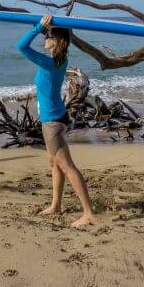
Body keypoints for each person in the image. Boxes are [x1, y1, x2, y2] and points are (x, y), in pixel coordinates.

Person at [16, 14, 96, 228]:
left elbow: (21, 46)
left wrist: (38, 27)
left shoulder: (48, 62)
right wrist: (45, 28)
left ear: (56, 41)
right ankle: (56, 205)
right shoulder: (60, 59)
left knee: (67, 166)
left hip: (52, 121)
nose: (44, 39)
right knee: (55, 164)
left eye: (47, 36)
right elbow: (50, 39)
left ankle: (88, 213)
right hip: (56, 116)